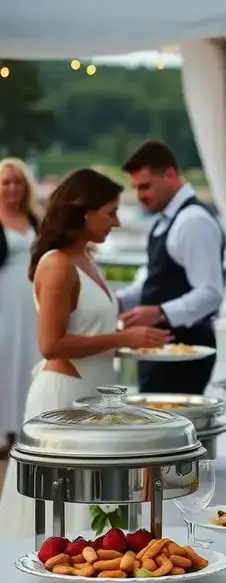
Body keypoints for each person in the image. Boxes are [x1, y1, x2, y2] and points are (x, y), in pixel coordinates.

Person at [0, 168, 171, 540]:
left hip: (94, 396)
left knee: (94, 504)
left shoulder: (86, 261)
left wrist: (126, 335)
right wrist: (120, 339)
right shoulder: (58, 264)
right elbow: (52, 344)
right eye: (110, 212)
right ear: (84, 212)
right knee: (64, 504)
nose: (117, 221)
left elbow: (87, 330)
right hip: (64, 397)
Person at [116, 141, 225, 394]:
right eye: (135, 188)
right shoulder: (165, 220)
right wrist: (118, 302)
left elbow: (211, 292)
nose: (140, 196)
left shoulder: (193, 222)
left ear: (170, 175)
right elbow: (154, 280)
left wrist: (160, 312)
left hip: (184, 354)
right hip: (162, 351)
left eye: (145, 186)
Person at [0, 158, 42, 456]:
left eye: (18, 181)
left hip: (32, 302)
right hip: (3, 301)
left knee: (29, 360)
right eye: (6, 182)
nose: (13, 187)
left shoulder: (34, 218)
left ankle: (23, 426)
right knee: (4, 361)